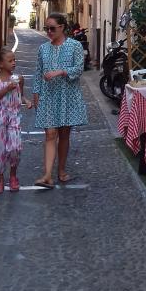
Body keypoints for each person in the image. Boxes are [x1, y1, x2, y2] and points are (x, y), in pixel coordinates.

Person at [32, 13, 88, 189]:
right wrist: (36, 94)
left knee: (64, 135)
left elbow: (79, 69)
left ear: (62, 27)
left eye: (52, 28)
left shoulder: (75, 46)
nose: (49, 32)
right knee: (50, 134)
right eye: (46, 29)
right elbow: (38, 72)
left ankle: (61, 170)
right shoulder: (43, 49)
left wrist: (61, 72)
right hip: (48, 96)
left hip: (67, 96)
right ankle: (47, 175)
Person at [0, 47, 31, 194]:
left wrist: (26, 100)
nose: (14, 63)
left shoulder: (19, 78)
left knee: (15, 147)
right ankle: (0, 179)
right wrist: (6, 89)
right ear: (1, 64)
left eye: (14, 60)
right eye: (10, 60)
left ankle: (13, 176)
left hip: (14, 116)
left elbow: (21, 95)